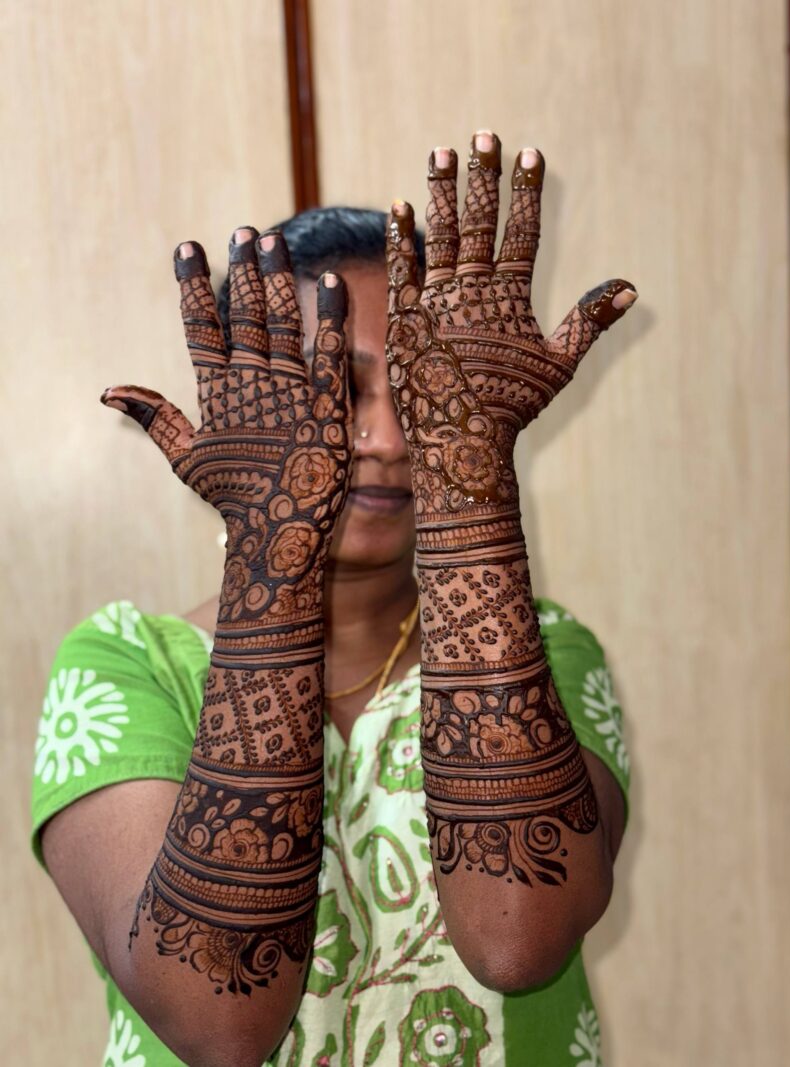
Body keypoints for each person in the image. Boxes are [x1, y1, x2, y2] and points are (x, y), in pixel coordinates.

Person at [31, 131, 636, 1067]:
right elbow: (217, 1021)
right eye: (336, 388)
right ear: (245, 397)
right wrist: (274, 557)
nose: (388, 438)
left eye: (419, 390)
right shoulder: (124, 665)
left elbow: (518, 939)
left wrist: (471, 480)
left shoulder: (547, 651)